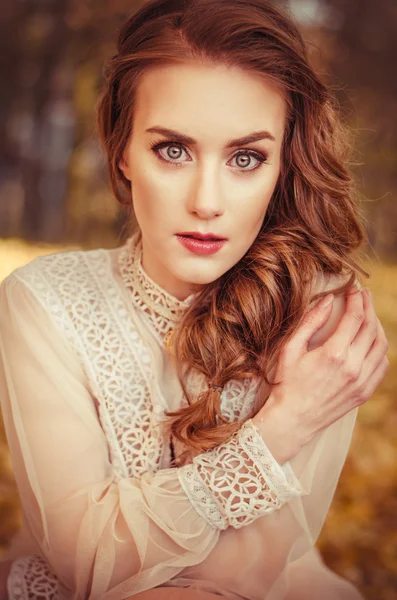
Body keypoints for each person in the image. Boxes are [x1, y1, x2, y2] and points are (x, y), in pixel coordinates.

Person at [0, 0, 390, 598]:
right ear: (122, 149)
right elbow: (84, 566)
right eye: (173, 150)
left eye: (245, 158)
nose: (207, 201)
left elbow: (246, 577)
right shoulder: (43, 302)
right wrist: (283, 424)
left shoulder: (317, 315)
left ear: (283, 166)